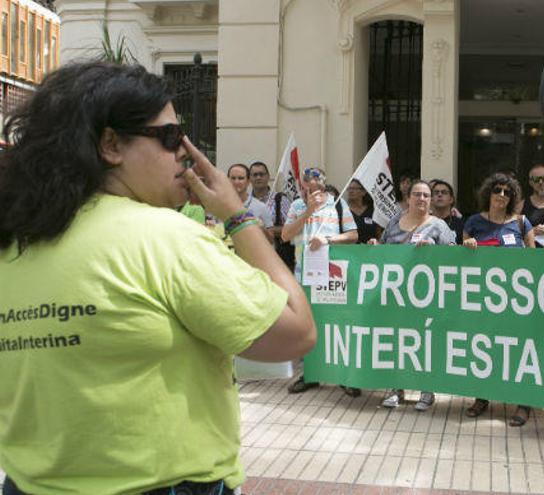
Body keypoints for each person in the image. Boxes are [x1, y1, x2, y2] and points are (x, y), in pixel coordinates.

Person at [0, 62, 316, 495]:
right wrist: (238, 217)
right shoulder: (163, 238)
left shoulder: (13, 241)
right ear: (111, 144)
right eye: (170, 138)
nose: (185, 151)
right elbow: (296, 331)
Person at [368, 180, 455, 411]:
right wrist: (375, 246)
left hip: (426, 297)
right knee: (398, 342)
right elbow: (385, 248)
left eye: (426, 195)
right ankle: (396, 389)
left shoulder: (438, 225)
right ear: (408, 198)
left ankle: (427, 391)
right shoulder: (396, 222)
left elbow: (454, 257)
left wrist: (434, 252)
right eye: (417, 194)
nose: (422, 199)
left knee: (425, 343)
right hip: (396, 296)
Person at [462, 173, 535, 423]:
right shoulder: (473, 222)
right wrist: (468, 245)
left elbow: (535, 262)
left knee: (518, 351)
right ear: (488, 194)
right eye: (497, 190)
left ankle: (523, 403)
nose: (502, 195)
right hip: (483, 300)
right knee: (484, 348)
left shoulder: (522, 223)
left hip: (515, 301)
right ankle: (482, 397)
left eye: (507, 192)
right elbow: (463, 262)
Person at [281, 167, 358, 394]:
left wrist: (327, 239)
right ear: (303, 186)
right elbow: (285, 236)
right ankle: (312, 374)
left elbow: (353, 235)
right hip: (304, 274)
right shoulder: (296, 206)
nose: (311, 187)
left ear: (323, 185)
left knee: (336, 324)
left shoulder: (338, 204)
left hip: (333, 276)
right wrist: (308, 211)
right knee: (310, 326)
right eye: (307, 184)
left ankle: (342, 375)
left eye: (315, 183)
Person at [227, 163, 274, 243]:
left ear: (248, 181)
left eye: (241, 178)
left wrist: (261, 228)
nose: (236, 182)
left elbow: (271, 240)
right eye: (233, 178)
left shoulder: (261, 207)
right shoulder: (220, 204)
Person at [347, 178, 381, 244]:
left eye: (354, 188)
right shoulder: (344, 210)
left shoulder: (373, 211)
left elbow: (379, 235)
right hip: (348, 251)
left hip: (370, 252)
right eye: (349, 188)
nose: (351, 191)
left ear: (363, 192)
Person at [430, 179, 464, 244]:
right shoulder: (424, 223)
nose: (439, 195)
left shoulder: (461, 225)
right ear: (431, 199)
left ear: (451, 199)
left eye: (444, 192)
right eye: (436, 192)